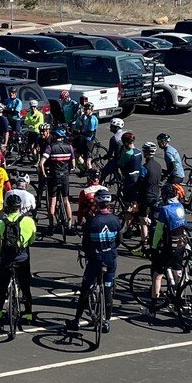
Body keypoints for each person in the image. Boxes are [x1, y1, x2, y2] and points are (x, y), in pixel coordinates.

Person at [70, 189, 122, 333]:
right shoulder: (115, 220)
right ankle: (106, 321)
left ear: (96, 203)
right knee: (108, 289)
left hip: (95, 259)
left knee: (85, 289)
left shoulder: (92, 222)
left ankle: (76, 320)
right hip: (110, 259)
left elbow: (85, 244)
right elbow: (119, 241)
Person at [0, 192, 36, 323]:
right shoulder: (28, 221)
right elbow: (32, 239)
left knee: (2, 286)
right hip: (22, 259)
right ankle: (28, 315)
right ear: (19, 207)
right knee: (26, 287)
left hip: (7, 259)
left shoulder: (1, 223)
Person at [147, 183, 189, 314]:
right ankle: (180, 299)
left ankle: (153, 305)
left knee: (157, 274)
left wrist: (153, 246)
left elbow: (159, 230)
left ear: (164, 196)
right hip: (182, 242)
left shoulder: (165, 209)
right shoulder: (180, 206)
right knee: (178, 271)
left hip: (170, 245)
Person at [39, 127, 76, 232]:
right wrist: (70, 169)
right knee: (65, 200)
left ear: (54, 136)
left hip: (53, 176)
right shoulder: (69, 147)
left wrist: (44, 173)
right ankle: (69, 223)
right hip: (65, 176)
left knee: (52, 202)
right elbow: (73, 164)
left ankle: (51, 226)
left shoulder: (50, 147)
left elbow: (41, 163)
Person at [72, 102, 98, 173]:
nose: (85, 111)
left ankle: (91, 176)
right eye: (84, 109)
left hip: (89, 141)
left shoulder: (92, 119)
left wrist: (79, 132)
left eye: (87, 109)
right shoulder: (85, 117)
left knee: (87, 161)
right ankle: (84, 169)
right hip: (83, 140)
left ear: (91, 110)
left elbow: (90, 134)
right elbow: (79, 123)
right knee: (77, 153)